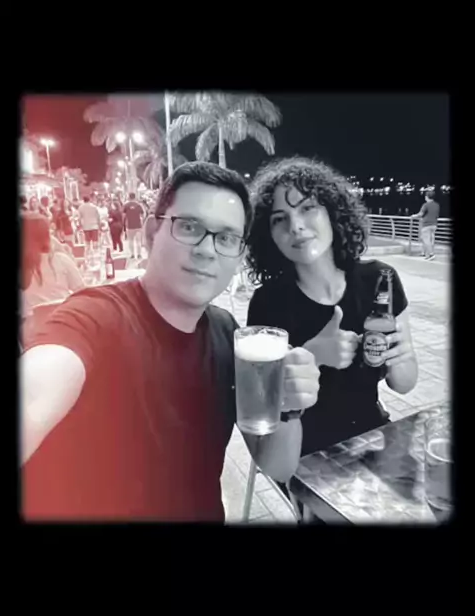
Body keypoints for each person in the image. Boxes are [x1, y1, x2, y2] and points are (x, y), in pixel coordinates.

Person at [20, 162, 320, 521]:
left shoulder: (227, 333)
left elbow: (277, 466)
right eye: (189, 227)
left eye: (226, 238)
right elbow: (36, 392)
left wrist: (289, 407)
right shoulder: (97, 318)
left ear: (239, 255)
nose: (207, 250)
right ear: (151, 233)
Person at [246, 157, 418, 458]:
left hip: (373, 437)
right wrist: (313, 354)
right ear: (268, 234)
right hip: (306, 453)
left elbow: (404, 384)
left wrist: (400, 358)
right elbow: (263, 406)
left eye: (307, 208)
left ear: (332, 213)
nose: (296, 226)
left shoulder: (380, 280)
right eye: (279, 219)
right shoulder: (267, 303)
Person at [21, 212, 85, 346]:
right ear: (46, 236)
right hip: (65, 329)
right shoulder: (60, 260)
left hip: (32, 338)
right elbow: (82, 294)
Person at [411, 189, 440, 260]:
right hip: (434, 224)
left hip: (426, 224)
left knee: (426, 240)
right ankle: (426, 254)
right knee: (431, 240)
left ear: (427, 197)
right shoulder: (437, 205)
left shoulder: (426, 205)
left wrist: (413, 216)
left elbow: (420, 214)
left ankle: (431, 254)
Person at [123, 192, 145, 259]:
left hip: (129, 226)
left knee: (130, 241)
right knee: (138, 241)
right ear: (135, 197)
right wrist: (141, 220)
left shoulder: (126, 205)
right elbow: (143, 214)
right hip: (138, 226)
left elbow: (123, 216)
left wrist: (124, 224)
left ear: (129, 197)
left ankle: (132, 254)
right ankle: (139, 254)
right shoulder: (139, 205)